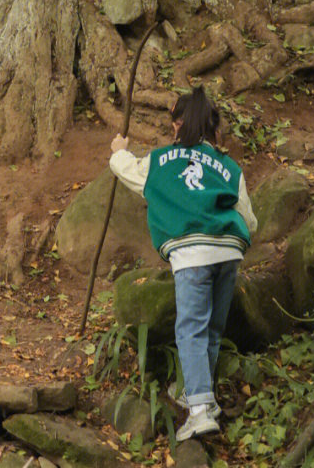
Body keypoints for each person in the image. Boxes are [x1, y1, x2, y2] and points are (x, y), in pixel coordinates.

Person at [109, 86, 258, 442]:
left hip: (192, 255)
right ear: (213, 128)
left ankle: (200, 412)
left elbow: (129, 171)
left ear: (179, 125)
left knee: (190, 328)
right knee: (211, 329)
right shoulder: (228, 166)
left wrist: (118, 152)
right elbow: (249, 220)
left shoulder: (162, 161)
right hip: (228, 252)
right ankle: (196, 392)